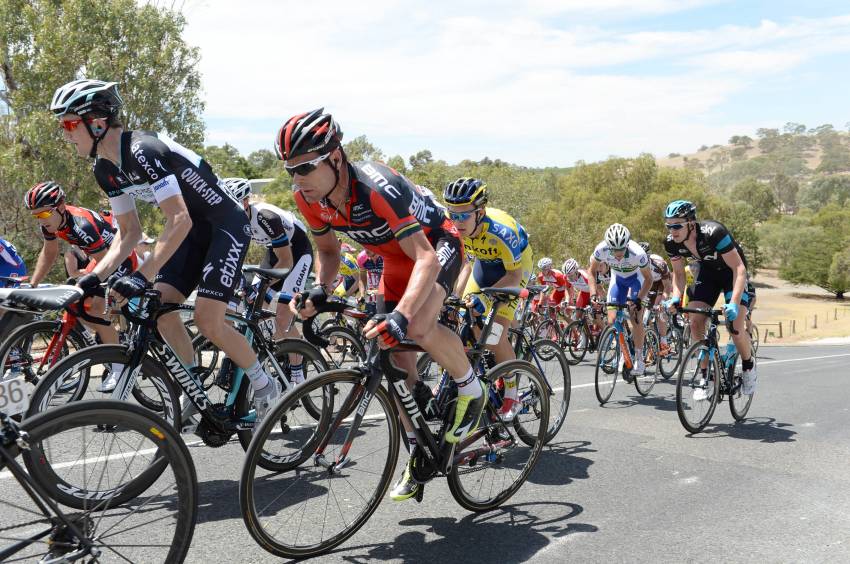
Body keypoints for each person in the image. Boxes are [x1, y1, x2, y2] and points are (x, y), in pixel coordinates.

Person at [51, 78, 280, 420]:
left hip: (224, 226)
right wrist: (92, 277)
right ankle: (193, 387)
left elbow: (179, 219)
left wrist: (141, 275)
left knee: (206, 319)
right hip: (189, 232)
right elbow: (128, 233)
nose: (66, 134)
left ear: (97, 122)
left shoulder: (143, 150)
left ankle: (265, 385)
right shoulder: (105, 170)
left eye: (69, 124)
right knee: (160, 311)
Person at [278, 108, 474, 503]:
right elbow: (328, 251)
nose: (297, 180)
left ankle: (472, 389)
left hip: (436, 247)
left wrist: (401, 316)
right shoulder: (309, 197)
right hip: (394, 260)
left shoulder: (376, 187)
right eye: (289, 170)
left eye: (305, 167)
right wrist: (320, 288)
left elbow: (426, 259)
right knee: (392, 359)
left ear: (335, 157)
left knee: (414, 328)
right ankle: (422, 448)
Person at [24, 181, 140, 391]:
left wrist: (84, 281)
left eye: (43, 214)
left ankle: (118, 365)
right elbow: (49, 253)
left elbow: (106, 262)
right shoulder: (53, 222)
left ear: (60, 206)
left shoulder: (80, 226)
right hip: (103, 259)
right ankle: (107, 336)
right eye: (35, 215)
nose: (40, 220)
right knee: (79, 300)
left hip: (121, 260)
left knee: (94, 307)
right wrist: (33, 284)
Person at [445, 177, 533, 418]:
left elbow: (513, 276)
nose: (457, 221)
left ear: (480, 212)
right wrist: (452, 296)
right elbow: (464, 264)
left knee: (494, 335)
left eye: (464, 215)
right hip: (485, 266)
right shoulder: (456, 229)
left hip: (514, 269)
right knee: (465, 315)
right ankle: (485, 370)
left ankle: (512, 393)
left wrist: (486, 300)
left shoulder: (502, 232)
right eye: (453, 214)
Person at [661, 200, 756, 395]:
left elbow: (739, 269)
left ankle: (748, 366)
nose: (673, 230)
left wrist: (734, 304)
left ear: (691, 223)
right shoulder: (671, 243)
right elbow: (678, 275)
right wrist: (675, 298)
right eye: (669, 225)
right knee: (695, 322)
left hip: (732, 273)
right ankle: (707, 376)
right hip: (708, 273)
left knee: (735, 327)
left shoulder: (714, 233)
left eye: (677, 225)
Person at [588, 224, 653, 378]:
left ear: (627, 244)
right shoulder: (601, 249)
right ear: (608, 246)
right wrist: (593, 295)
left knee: (634, 315)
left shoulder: (638, 252)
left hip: (637, 280)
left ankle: (639, 358)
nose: (617, 254)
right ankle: (623, 351)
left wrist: (638, 299)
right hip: (617, 279)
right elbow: (591, 271)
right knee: (611, 320)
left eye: (621, 250)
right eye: (614, 250)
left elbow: (649, 279)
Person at [638, 242, 674, 356]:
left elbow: (668, 286)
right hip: (647, 284)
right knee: (643, 313)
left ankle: (664, 343)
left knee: (659, 310)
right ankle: (650, 339)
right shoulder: (634, 265)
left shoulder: (659, 264)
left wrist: (662, 302)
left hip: (661, 284)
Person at [357, 247, 384, 313]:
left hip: (387, 276)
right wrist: (362, 295)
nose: (372, 259)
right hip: (375, 277)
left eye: (374, 255)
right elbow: (362, 278)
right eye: (369, 256)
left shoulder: (384, 256)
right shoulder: (361, 258)